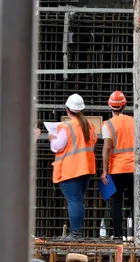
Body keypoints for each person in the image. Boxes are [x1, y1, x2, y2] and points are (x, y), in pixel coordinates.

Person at [48, 93, 98, 239]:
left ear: (67, 110)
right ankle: (77, 232)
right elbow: (92, 142)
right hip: (86, 168)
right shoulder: (89, 125)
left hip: (71, 169)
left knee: (74, 201)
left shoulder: (67, 126)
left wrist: (52, 138)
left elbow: (57, 146)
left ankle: (75, 233)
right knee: (79, 200)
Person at [101, 90, 136, 239]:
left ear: (110, 106)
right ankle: (135, 233)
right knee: (134, 201)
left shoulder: (108, 125)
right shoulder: (133, 121)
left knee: (116, 201)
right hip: (134, 167)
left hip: (117, 168)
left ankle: (118, 234)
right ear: (124, 106)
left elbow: (107, 149)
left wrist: (104, 170)